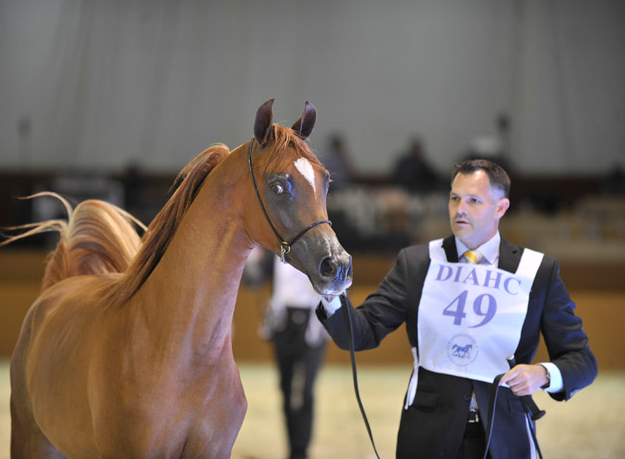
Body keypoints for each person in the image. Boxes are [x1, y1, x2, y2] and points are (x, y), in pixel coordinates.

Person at [316, 159, 597, 459]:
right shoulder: (417, 263)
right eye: (455, 198)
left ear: (501, 208)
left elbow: (582, 360)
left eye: (474, 200)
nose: (460, 208)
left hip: (505, 436)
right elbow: (361, 333)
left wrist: (543, 374)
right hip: (427, 435)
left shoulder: (537, 271)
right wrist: (330, 291)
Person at [246, 248, 328, 459]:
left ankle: (301, 450)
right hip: (283, 322)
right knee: (286, 388)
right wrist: (252, 261)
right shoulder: (276, 250)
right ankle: (292, 448)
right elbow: (253, 279)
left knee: (306, 390)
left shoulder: (319, 246)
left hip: (312, 322)